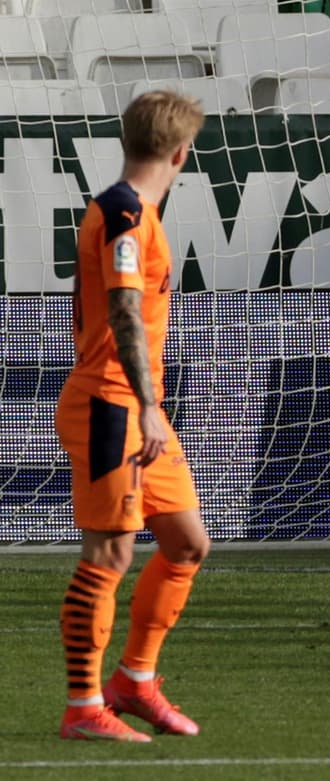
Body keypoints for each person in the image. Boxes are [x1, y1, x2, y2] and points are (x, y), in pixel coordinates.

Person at [56, 91, 209, 742]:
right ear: (181, 153)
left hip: (131, 405)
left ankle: (135, 680)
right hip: (111, 405)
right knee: (110, 552)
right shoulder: (124, 213)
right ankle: (83, 706)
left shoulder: (135, 212)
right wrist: (146, 405)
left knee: (186, 542)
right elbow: (122, 311)